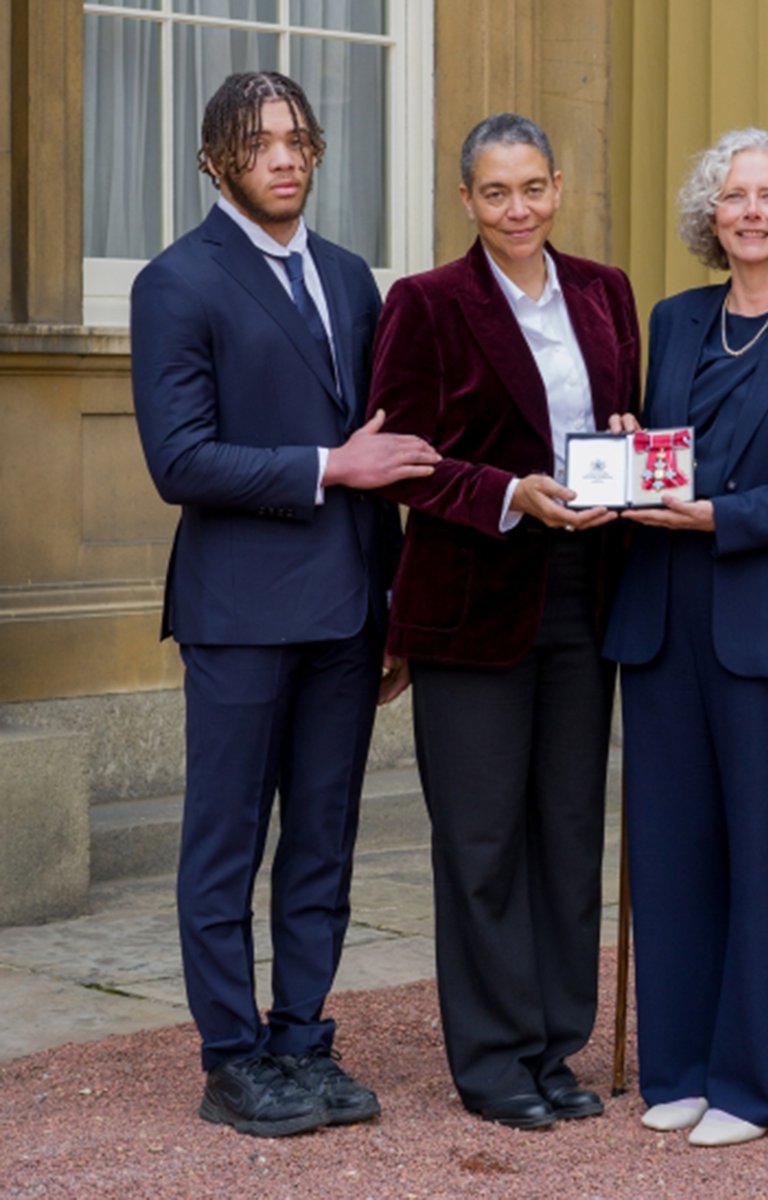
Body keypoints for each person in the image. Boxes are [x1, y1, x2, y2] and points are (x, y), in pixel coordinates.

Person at [131, 72, 439, 1138]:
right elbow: (180, 461)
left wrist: (395, 601)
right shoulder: (176, 282)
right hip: (239, 614)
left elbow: (388, 449)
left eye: (300, 138)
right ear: (217, 159)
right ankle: (231, 1059)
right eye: (261, 143)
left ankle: (302, 1037)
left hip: (350, 613)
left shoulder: (355, 281)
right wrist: (327, 467)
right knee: (224, 846)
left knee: (323, 841)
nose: (286, 157)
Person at [368, 113, 641, 1130]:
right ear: (467, 199)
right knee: (481, 840)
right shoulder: (426, 304)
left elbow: (629, 417)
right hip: (472, 602)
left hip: (587, 592)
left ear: (558, 185)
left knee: (568, 831)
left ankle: (553, 1045)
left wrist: (626, 440)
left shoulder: (609, 293)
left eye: (532, 188)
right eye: (495, 192)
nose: (516, 209)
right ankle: (490, 1062)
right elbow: (400, 458)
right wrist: (504, 492)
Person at [602, 128, 768, 1147]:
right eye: (732, 196)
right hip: (663, 615)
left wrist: (722, 518)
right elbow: (663, 452)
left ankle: (754, 1084)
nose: (751, 211)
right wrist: (633, 456)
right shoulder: (672, 322)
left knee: (766, 856)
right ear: (709, 219)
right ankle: (675, 1066)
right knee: (670, 854)